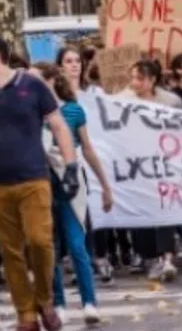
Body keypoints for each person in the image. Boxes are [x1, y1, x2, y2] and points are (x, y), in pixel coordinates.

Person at [0, 33, 79, 331]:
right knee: (11, 251)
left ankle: (45, 298)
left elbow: (59, 125)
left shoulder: (32, 85)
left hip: (34, 177)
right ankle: (25, 313)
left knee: (40, 242)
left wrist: (71, 166)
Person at [35, 64, 114, 326]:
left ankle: (89, 301)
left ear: (51, 82)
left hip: (69, 184)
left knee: (76, 243)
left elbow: (88, 149)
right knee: (50, 246)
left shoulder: (72, 111)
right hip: (41, 184)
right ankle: (58, 302)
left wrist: (105, 185)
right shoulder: (29, 115)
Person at [117, 60, 182, 281]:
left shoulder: (171, 101)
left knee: (165, 210)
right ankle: (149, 256)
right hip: (137, 167)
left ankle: (167, 258)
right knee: (143, 212)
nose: (135, 83)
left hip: (165, 164)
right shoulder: (123, 100)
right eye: (133, 77)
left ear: (152, 80)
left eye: (140, 78)